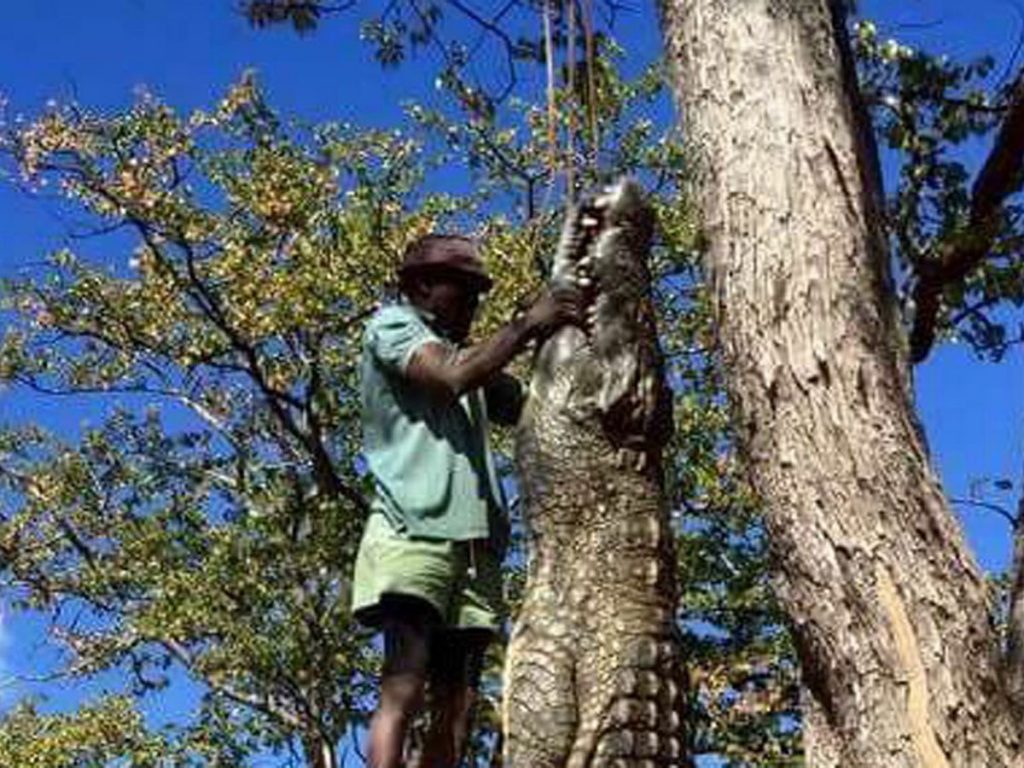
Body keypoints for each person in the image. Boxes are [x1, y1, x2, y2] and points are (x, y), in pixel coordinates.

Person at [351, 233, 582, 768]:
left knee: (459, 700)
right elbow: (450, 375)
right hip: (412, 531)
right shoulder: (393, 327)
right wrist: (527, 324)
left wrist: (562, 338)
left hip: (476, 545)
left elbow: (526, 405)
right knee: (406, 678)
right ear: (422, 286)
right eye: (464, 290)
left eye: (479, 295)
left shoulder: (472, 360)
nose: (474, 304)